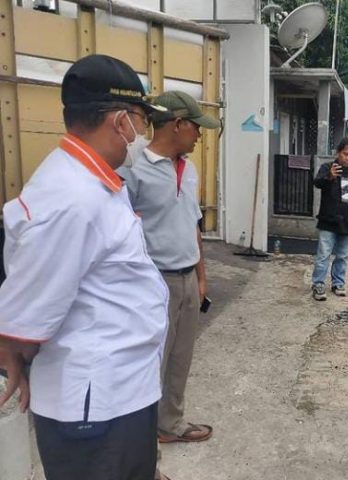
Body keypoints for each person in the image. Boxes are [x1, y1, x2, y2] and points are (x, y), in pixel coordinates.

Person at [0, 54, 169, 480]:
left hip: (119, 394)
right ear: (119, 122)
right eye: (141, 120)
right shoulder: (72, 197)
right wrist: (12, 351)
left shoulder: (92, 182)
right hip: (96, 409)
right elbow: (26, 312)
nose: (143, 134)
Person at [118, 91, 220, 451]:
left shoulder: (187, 169)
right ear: (177, 124)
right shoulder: (133, 170)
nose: (199, 135)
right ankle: (139, 439)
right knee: (149, 362)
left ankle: (170, 423)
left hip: (188, 279)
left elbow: (193, 223)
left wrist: (201, 273)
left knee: (181, 356)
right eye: (196, 127)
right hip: (153, 281)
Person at [311, 137, 348, 301]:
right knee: (323, 255)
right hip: (328, 221)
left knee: (342, 256)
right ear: (338, 153)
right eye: (345, 154)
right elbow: (317, 183)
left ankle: (338, 283)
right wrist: (329, 176)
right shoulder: (327, 168)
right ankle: (318, 284)